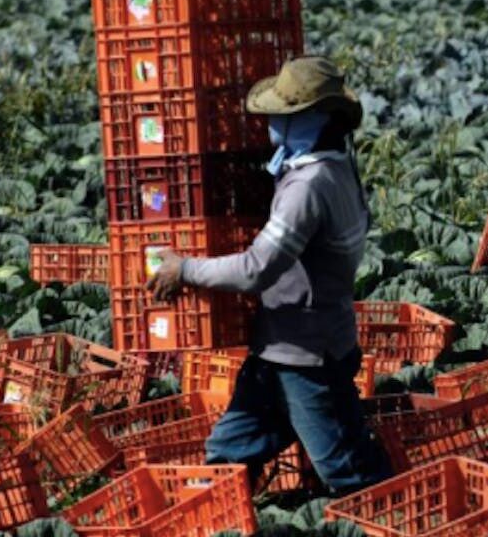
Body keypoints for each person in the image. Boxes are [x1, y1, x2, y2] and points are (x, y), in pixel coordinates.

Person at [147, 55, 392, 494]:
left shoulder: (309, 186)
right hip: (280, 352)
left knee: (350, 474)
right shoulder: (337, 164)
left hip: (309, 359)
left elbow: (255, 269)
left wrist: (184, 269)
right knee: (227, 453)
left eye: (281, 116)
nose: (271, 125)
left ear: (311, 119)